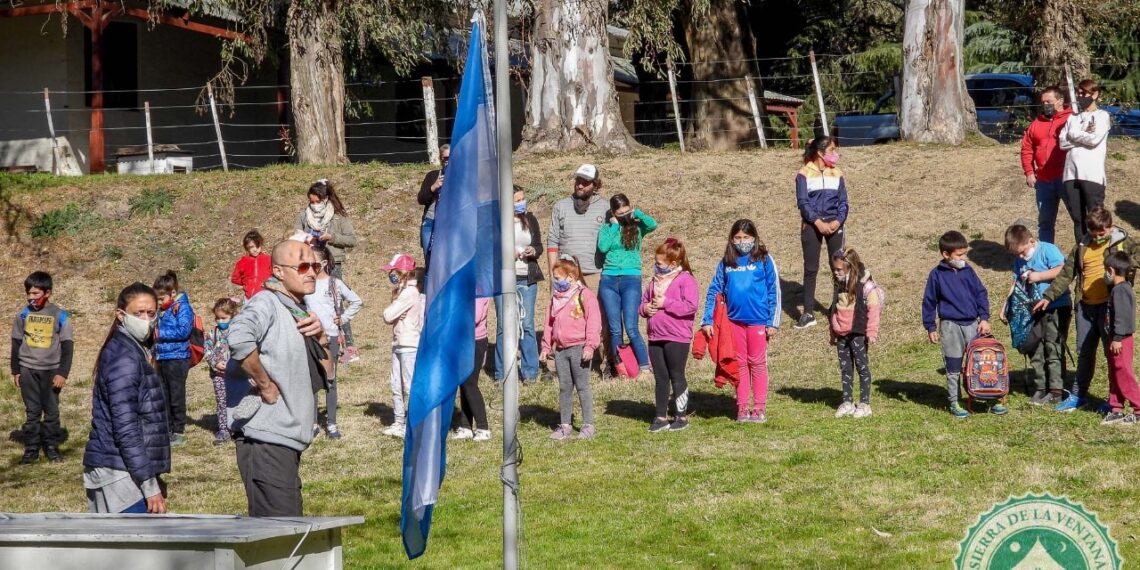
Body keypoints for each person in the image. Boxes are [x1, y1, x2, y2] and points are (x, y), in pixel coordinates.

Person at [226, 240, 325, 517]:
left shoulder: (296, 309)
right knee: (282, 532)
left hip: (285, 439)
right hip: (266, 441)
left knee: (287, 529)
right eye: (303, 266)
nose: (311, 272)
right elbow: (238, 338)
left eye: (316, 266)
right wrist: (265, 384)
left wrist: (321, 336)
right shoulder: (265, 302)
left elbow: (327, 371)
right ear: (279, 272)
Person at [1034, 207, 1140, 412]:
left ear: (1110, 227)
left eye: (1102, 233)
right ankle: (1078, 395)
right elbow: (1066, 274)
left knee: (1113, 355)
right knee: (1084, 352)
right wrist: (1048, 296)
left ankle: (1114, 401)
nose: (1098, 238)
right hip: (1085, 308)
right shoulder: (1082, 246)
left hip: (1109, 308)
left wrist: (1125, 267)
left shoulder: (1122, 242)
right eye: (1094, 234)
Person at [83, 283, 169, 514]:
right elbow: (126, 428)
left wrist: (152, 475)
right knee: (135, 538)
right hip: (118, 473)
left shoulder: (136, 350)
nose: (146, 319)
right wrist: (148, 484)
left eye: (151, 313)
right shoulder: (124, 358)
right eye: (138, 313)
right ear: (121, 315)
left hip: (127, 467)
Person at [701, 219, 781, 423]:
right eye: (737, 238)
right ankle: (742, 407)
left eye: (746, 237)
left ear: (754, 238)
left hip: (759, 321)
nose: (742, 241)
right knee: (740, 364)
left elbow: (774, 290)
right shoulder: (726, 262)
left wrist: (773, 321)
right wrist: (707, 319)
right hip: (733, 322)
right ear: (731, 239)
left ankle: (759, 408)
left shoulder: (764, 259)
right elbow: (714, 290)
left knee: (757, 363)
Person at [922, 231, 1000, 418]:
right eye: (959, 255)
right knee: (953, 367)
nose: (963, 258)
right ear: (946, 254)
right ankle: (954, 401)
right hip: (950, 327)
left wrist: (984, 318)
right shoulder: (936, 275)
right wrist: (931, 327)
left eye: (964, 254)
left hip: (973, 325)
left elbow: (981, 293)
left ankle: (989, 398)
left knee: (982, 364)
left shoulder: (968, 271)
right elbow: (929, 302)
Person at [1000, 225, 1071, 406]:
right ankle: (1041, 386)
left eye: (1022, 252)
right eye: (1016, 254)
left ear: (1031, 241)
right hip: (1032, 309)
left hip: (1055, 306)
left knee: (1052, 346)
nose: (1020, 257)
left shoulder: (1047, 250)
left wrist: (1039, 277)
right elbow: (1016, 282)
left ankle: (1056, 389)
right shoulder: (1019, 260)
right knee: (1035, 347)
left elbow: (1063, 269)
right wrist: (1006, 305)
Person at [547, 164, 609, 368]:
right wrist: (553, 273)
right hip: (567, 274)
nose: (580, 185)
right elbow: (552, 241)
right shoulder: (561, 206)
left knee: (599, 318)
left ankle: (602, 361)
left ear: (596, 185)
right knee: (560, 317)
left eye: (586, 182)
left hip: (596, 272)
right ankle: (553, 363)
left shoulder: (605, 207)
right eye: (578, 180)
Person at [10, 271, 73, 464]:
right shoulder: (23, 314)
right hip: (27, 369)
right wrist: (16, 370)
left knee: (51, 412)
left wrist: (62, 373)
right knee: (32, 412)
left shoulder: (60, 315)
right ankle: (31, 450)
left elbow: (68, 346)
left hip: (51, 371)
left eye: (35, 293)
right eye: (28, 293)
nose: (31, 297)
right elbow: (16, 343)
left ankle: (52, 448)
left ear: (48, 293)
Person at [294, 179, 360, 362]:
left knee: (337, 304)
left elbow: (352, 240)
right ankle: (316, 341)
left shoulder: (338, 217)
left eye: (317, 201)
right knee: (311, 301)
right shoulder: (304, 216)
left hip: (333, 263)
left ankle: (348, 346)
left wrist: (331, 237)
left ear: (325, 199)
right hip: (311, 264)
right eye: (311, 202)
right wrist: (305, 238)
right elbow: (295, 234)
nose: (314, 205)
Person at [540, 256, 602, 440]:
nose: (555, 281)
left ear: (571, 277)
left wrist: (590, 346)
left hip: (579, 349)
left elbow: (594, 322)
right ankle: (565, 425)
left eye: (557, 278)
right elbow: (548, 324)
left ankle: (588, 424)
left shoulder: (585, 295)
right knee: (564, 388)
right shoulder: (555, 299)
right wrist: (546, 347)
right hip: (560, 350)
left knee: (582, 387)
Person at [639, 238, 697, 433]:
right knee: (660, 377)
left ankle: (681, 416)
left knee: (676, 375)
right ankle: (660, 417)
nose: (656, 266)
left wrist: (666, 303)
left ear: (674, 263)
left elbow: (690, 307)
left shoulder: (686, 280)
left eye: (660, 263)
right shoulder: (654, 281)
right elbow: (643, 303)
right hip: (655, 336)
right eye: (656, 262)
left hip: (677, 337)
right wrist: (645, 309)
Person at [304, 245, 362, 440]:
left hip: (331, 337)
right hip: (310, 338)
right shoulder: (305, 283)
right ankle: (313, 423)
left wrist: (343, 318)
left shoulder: (334, 283)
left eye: (314, 262)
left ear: (323, 263)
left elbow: (356, 301)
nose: (310, 266)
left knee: (331, 381)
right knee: (311, 381)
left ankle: (331, 423)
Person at [597, 193, 658, 376]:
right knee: (615, 328)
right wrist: (615, 226)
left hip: (631, 279)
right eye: (620, 213)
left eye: (626, 211)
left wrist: (637, 213)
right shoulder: (607, 228)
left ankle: (644, 366)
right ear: (613, 213)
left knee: (631, 326)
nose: (624, 215)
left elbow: (653, 225)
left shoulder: (637, 227)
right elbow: (603, 247)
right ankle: (620, 368)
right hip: (609, 280)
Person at [795, 135, 848, 329]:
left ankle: (837, 307)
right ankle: (808, 313)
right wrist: (817, 222)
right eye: (832, 150)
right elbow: (803, 203)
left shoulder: (837, 173)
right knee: (811, 269)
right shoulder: (803, 174)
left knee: (838, 267)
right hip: (812, 225)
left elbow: (844, 202)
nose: (835, 154)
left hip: (835, 224)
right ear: (820, 152)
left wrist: (838, 221)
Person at [495, 186, 543, 385]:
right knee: (504, 325)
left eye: (523, 198)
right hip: (504, 279)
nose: (522, 202)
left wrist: (533, 250)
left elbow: (539, 246)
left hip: (526, 278)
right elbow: (490, 248)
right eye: (517, 200)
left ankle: (530, 372)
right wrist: (508, 252)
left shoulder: (530, 219)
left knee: (527, 324)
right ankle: (502, 372)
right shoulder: (498, 222)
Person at [829, 248, 879, 419]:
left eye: (839, 269)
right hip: (841, 333)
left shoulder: (865, 285)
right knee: (845, 368)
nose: (836, 273)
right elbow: (833, 308)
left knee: (862, 367)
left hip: (857, 332)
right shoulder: (838, 284)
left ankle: (864, 403)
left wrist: (871, 331)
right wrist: (832, 332)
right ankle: (847, 402)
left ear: (850, 267)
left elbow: (873, 308)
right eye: (834, 269)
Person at [1059, 79, 1111, 242]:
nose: (1080, 96)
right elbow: (1062, 142)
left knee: (1096, 219)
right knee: (1078, 219)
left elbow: (1094, 139)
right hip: (1071, 174)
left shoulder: (1102, 116)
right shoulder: (1073, 118)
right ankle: (1082, 251)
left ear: (1094, 94)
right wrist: (1084, 133)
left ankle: (1101, 251)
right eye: (1078, 93)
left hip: (1091, 174)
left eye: (1084, 93)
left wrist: (1073, 134)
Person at [1020, 86, 1072, 244]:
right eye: (1043, 102)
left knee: (1078, 217)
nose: (1045, 105)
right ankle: (1046, 253)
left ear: (1060, 101)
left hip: (1066, 178)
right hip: (1043, 181)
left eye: (1049, 101)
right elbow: (1026, 149)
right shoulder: (1036, 124)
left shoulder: (1071, 119)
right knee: (1045, 223)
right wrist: (1029, 172)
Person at [381, 253, 425, 438]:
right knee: (396, 384)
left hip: (409, 344)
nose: (390, 274)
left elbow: (388, 315)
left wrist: (393, 311)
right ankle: (399, 421)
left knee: (408, 385)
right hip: (399, 342)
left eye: (393, 271)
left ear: (402, 272)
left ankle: (413, 423)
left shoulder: (409, 293)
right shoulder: (403, 292)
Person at [152, 270, 195, 447]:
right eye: (157, 299)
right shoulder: (161, 311)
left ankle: (178, 430)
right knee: (163, 394)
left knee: (176, 395)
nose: (159, 302)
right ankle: (167, 428)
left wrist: (159, 333)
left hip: (177, 357)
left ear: (173, 293)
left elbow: (184, 331)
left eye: (161, 299)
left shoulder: (183, 308)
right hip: (162, 356)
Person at [1101, 251, 1140, 424]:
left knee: (1124, 374)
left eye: (1105, 270)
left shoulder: (1121, 290)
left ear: (1111, 270)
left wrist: (1117, 338)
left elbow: (1122, 317)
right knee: (1114, 373)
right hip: (1115, 339)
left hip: (1121, 340)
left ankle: (1138, 408)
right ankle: (1116, 407)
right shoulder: (1118, 289)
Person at [204, 298, 240, 446]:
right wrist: (215, 363)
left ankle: (238, 428)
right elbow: (207, 351)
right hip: (218, 375)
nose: (220, 321)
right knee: (222, 401)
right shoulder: (212, 333)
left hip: (236, 375)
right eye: (217, 318)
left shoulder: (238, 332)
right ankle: (224, 430)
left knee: (238, 401)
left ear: (233, 316)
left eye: (224, 318)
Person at [454, 298, 491, 442]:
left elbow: (474, 317)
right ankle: (466, 426)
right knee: (463, 384)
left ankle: (483, 427)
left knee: (470, 384)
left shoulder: (479, 293)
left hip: (475, 341)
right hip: (462, 340)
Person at [417, 144, 450, 260]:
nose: (448, 161)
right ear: (441, 158)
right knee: (430, 261)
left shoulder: (460, 178)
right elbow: (421, 199)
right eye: (446, 158)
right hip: (431, 223)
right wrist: (433, 187)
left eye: (452, 158)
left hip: (451, 224)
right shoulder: (432, 175)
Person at [230, 230, 272, 300]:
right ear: (246, 248)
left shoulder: (268, 260)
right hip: (250, 297)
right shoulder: (242, 262)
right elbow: (235, 278)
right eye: (251, 247)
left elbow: (274, 275)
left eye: (257, 246)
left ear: (261, 245)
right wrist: (247, 283)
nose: (255, 249)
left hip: (267, 296)